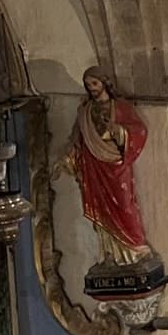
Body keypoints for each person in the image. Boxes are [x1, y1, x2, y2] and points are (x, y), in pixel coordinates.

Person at [63, 68, 152, 265]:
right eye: (88, 85)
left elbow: (139, 130)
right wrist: (68, 157)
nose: (91, 88)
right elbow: (76, 139)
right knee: (101, 209)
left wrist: (119, 132)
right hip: (93, 166)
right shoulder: (85, 112)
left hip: (116, 164)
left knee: (125, 204)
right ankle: (110, 254)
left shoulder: (120, 107)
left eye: (94, 83)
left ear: (104, 83)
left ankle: (135, 248)